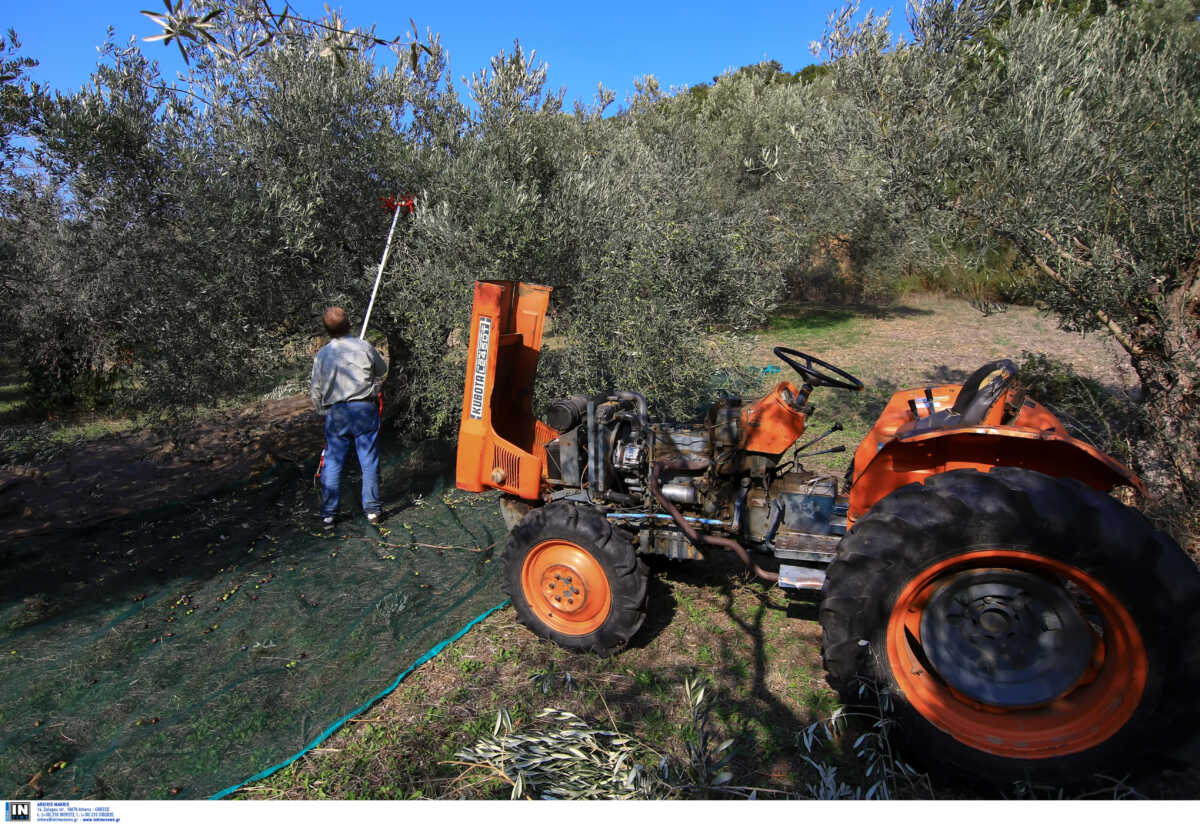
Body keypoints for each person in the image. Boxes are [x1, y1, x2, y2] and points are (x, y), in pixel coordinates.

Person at [310, 306, 388, 526]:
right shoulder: (364, 347)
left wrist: (322, 410)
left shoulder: (322, 355)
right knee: (368, 459)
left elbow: (315, 389)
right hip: (364, 409)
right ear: (349, 324)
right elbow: (381, 371)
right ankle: (372, 511)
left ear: (327, 330)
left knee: (333, 462)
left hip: (337, 413)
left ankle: (329, 513)